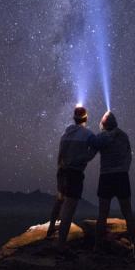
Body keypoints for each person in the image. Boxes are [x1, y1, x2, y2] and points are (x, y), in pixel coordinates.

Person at [91, 111, 135, 257]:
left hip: (106, 177)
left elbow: (92, 147)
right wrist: (124, 169)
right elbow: (128, 155)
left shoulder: (101, 137)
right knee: (128, 213)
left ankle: (97, 247)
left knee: (102, 214)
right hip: (121, 176)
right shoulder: (124, 136)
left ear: (104, 124)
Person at [46, 105, 96, 252]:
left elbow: (60, 155)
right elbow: (95, 148)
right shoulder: (88, 135)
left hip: (62, 171)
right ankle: (61, 247)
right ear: (86, 118)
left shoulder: (65, 134)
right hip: (75, 173)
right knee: (69, 209)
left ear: (74, 118)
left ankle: (50, 230)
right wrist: (83, 159)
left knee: (60, 199)